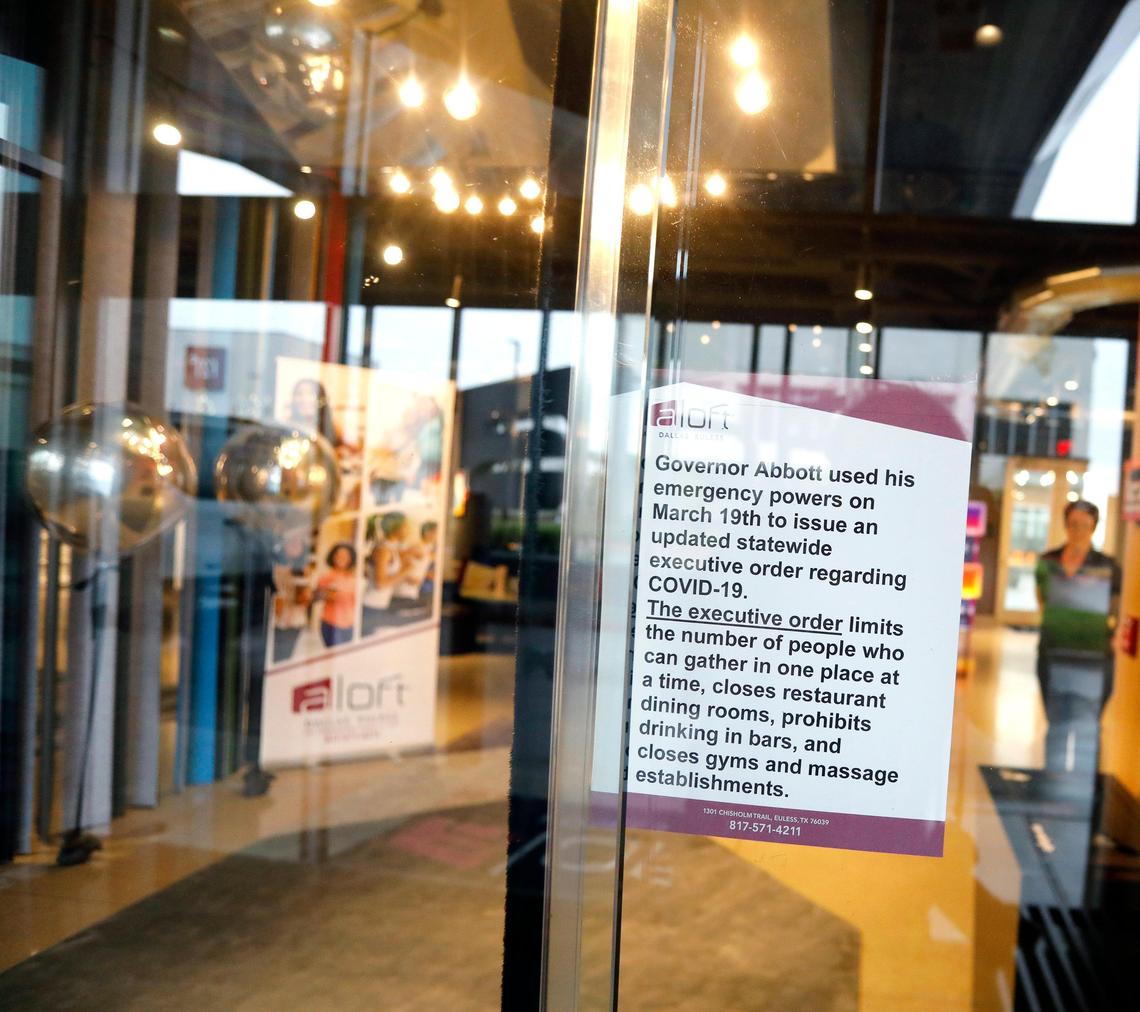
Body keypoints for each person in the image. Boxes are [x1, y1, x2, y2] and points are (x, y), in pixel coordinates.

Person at [1034, 499, 1120, 772]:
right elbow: (1043, 603)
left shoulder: (1108, 566)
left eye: (1085, 525)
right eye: (1073, 524)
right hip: (1053, 654)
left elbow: (1113, 614)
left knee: (1087, 731)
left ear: (1094, 527)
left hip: (1092, 662)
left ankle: (1083, 796)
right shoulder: (1047, 562)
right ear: (1065, 525)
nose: (1078, 530)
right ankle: (1053, 787)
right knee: (1056, 725)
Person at [315, 542, 357, 647]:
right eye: (338, 554)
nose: (341, 558)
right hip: (331, 623)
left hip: (349, 625)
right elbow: (316, 598)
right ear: (333, 556)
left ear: (350, 558)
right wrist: (326, 594)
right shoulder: (326, 576)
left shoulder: (353, 578)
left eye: (345, 555)